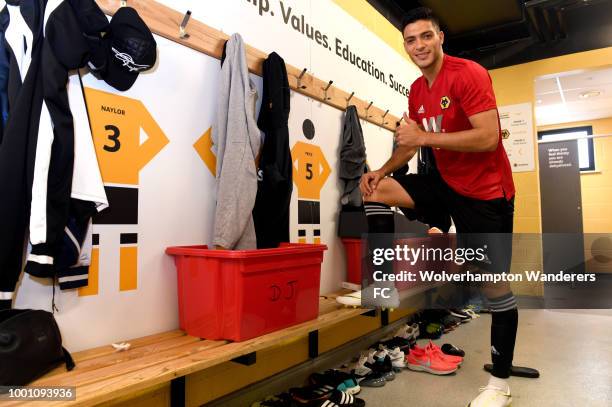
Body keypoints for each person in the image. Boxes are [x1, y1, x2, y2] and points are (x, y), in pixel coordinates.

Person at [359, 7, 517, 407]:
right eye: (411, 40)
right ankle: (382, 280)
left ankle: (500, 384)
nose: (418, 46)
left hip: (485, 194)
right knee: (378, 191)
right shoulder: (417, 89)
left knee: (495, 287)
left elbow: (486, 139)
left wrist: (425, 141)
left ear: (440, 37)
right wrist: (380, 169)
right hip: (447, 185)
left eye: (425, 36)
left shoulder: (469, 74)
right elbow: (412, 141)